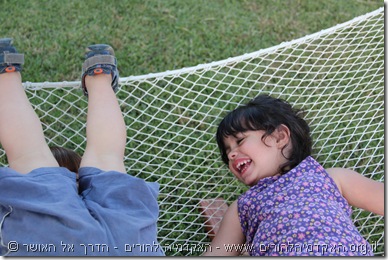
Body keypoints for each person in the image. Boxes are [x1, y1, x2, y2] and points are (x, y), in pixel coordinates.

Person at [0, 38, 164, 256]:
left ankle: (99, 76)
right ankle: (6, 72)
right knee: (29, 156)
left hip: (131, 243)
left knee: (109, 158)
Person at [202, 94, 384, 256]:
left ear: (280, 137)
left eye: (239, 141)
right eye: (227, 153)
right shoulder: (243, 206)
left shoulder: (331, 178)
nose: (231, 154)